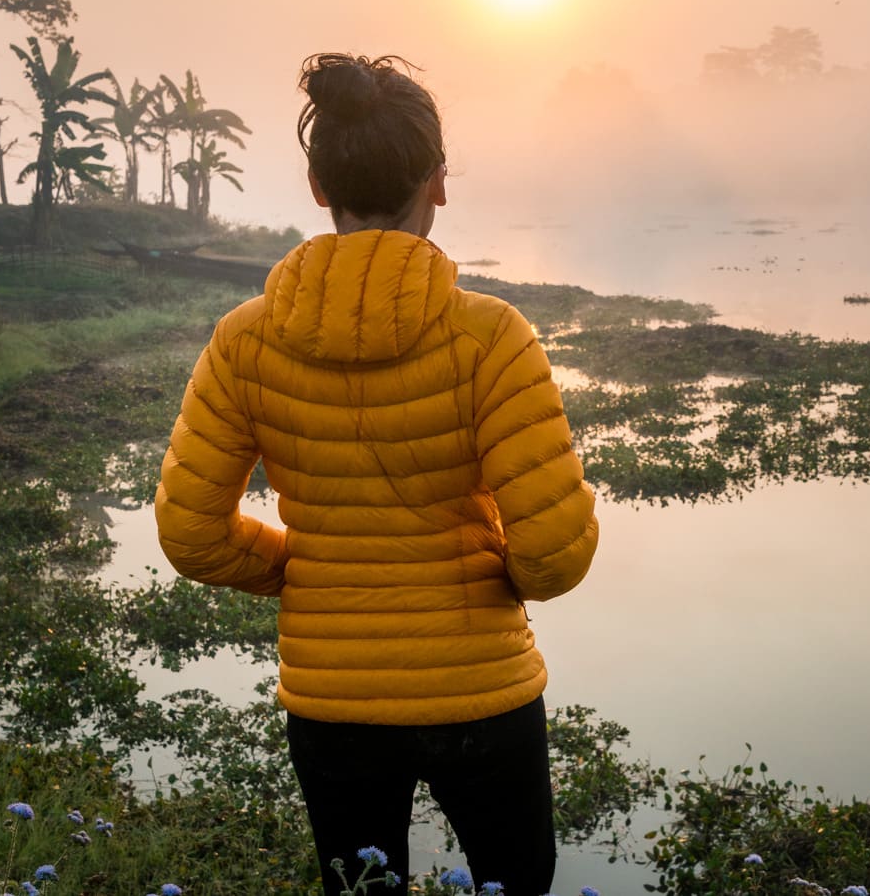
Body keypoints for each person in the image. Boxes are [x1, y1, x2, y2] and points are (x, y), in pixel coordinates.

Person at [155, 53, 599, 896]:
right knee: (520, 884)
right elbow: (555, 554)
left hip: (333, 701)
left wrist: (300, 566)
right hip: (483, 691)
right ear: (437, 181)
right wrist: (491, 570)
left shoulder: (244, 340)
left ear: (320, 187)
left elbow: (189, 532)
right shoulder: (493, 337)